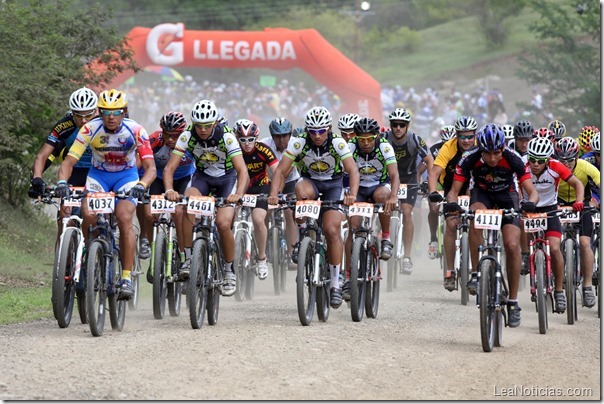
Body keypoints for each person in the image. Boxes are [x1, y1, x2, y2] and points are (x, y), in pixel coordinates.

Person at [56, 89, 157, 300]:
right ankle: (88, 256)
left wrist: (142, 184)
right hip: (98, 177)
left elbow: (150, 168)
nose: (111, 117)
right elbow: (68, 162)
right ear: (99, 112)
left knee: (124, 217)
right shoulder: (89, 129)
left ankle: (127, 277)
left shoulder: (136, 130)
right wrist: (63, 182)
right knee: (89, 216)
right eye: (106, 112)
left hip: (126, 177)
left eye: (116, 111)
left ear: (124, 111)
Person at [446, 123, 539, 327]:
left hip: (508, 196)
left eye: (497, 153)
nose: (493, 158)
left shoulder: (513, 158)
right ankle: (475, 273)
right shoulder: (469, 157)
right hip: (482, 194)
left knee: (512, 245)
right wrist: (452, 202)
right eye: (487, 154)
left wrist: (530, 202)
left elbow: (531, 190)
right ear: (481, 150)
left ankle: (513, 302)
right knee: (475, 216)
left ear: (503, 148)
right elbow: (454, 189)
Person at [268, 106, 359, 309]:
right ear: (307, 130)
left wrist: (351, 194)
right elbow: (281, 172)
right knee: (299, 191)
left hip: (333, 185)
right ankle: (303, 237)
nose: (317, 135)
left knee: (331, 229)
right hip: (311, 182)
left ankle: (335, 284)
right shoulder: (299, 143)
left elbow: (352, 170)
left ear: (328, 128)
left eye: (321, 131)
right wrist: (274, 194)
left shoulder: (338, 142)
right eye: (313, 131)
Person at [163, 100, 249, 297]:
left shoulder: (227, 137)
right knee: (188, 203)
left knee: (223, 223)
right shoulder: (187, 136)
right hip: (202, 178)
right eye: (199, 125)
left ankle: (229, 270)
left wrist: (238, 195)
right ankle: (188, 258)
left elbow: (242, 171)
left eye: (207, 126)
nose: (202, 130)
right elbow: (169, 168)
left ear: (215, 122)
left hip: (227, 179)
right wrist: (169, 190)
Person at [524, 137, 584, 313]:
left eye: (540, 161)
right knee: (521, 232)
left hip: (550, 209)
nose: (535, 164)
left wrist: (579, 201)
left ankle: (559, 290)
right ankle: (525, 258)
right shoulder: (522, 166)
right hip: (528, 209)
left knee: (555, 248)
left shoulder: (556, 166)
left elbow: (577, 183)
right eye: (532, 159)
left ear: (548, 159)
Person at [30, 87, 98, 243]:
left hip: (97, 172)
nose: (84, 121)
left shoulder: (103, 123)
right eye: (78, 116)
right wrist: (37, 179)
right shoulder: (64, 125)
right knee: (64, 219)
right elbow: (42, 156)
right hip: (73, 171)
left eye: (88, 115)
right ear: (71, 113)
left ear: (95, 111)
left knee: (99, 219)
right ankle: (63, 262)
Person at [342, 117, 399, 298]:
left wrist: (394, 196)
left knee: (383, 197)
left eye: (369, 139)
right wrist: (348, 194)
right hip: (357, 187)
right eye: (362, 139)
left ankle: (386, 238)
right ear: (356, 138)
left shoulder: (384, 146)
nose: (366, 143)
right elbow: (345, 172)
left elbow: (394, 174)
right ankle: (348, 276)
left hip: (378, 185)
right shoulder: (350, 146)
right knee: (353, 227)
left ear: (376, 136)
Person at [427, 116, 478, 290]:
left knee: (476, 225)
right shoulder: (448, 147)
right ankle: (450, 271)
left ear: (475, 135)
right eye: (462, 137)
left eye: (470, 136)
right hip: (452, 187)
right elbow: (434, 173)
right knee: (450, 224)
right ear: (456, 136)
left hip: (474, 186)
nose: (466, 140)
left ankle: (477, 272)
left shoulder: (481, 147)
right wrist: (433, 192)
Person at [141, 111, 193, 280]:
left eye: (175, 136)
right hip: (159, 179)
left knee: (178, 213)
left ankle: (183, 252)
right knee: (149, 215)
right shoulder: (154, 140)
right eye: (167, 135)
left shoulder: (190, 141)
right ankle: (153, 250)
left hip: (184, 179)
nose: (170, 139)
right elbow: (141, 163)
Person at [385, 108, 434, 274]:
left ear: (407, 126)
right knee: (383, 209)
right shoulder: (384, 139)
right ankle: (382, 239)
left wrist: (423, 176)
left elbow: (429, 159)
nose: (398, 128)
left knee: (407, 212)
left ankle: (407, 256)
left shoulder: (415, 139)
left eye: (402, 125)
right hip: (389, 179)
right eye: (395, 125)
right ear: (390, 125)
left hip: (409, 179)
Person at [555, 137, 600, 308]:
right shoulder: (553, 167)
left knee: (584, 243)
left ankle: (587, 286)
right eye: (562, 160)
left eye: (570, 160)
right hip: (558, 203)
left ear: (576, 157)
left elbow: (599, 181)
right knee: (555, 242)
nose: (565, 164)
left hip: (582, 204)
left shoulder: (585, 166)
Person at [234, 118, 279, 280]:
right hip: (239, 188)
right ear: (237, 139)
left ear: (257, 138)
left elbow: (277, 171)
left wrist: (274, 193)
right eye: (243, 140)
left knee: (258, 219)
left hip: (260, 188)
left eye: (251, 140)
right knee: (229, 216)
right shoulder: (233, 151)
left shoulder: (264, 150)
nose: (247, 144)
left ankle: (261, 258)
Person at [261, 117, 299, 270]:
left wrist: (277, 193)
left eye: (285, 135)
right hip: (268, 180)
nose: (282, 139)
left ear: (290, 135)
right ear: (272, 136)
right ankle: (262, 246)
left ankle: (291, 253)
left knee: (290, 213)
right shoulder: (264, 144)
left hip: (290, 181)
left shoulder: (296, 144)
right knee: (265, 211)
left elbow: (284, 174)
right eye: (278, 136)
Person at [423, 125, 456, 260]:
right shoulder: (434, 149)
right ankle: (433, 239)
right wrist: (427, 184)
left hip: (454, 182)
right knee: (434, 208)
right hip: (438, 181)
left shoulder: (458, 148)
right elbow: (430, 171)